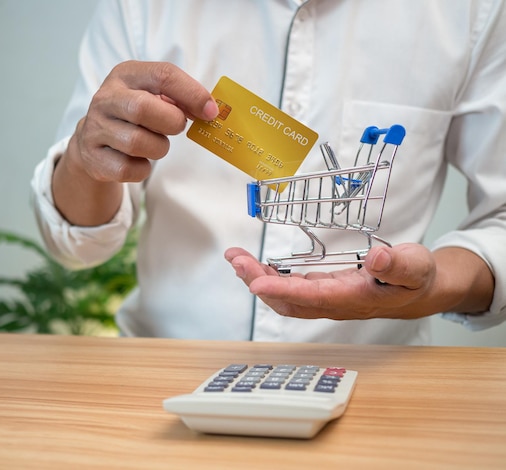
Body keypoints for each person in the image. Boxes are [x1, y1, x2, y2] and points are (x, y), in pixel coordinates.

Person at [31, 0, 506, 344]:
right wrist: (85, 160)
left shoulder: (469, 11)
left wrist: (428, 287)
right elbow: (80, 245)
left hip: (373, 385)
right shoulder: (142, 7)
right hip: (168, 372)